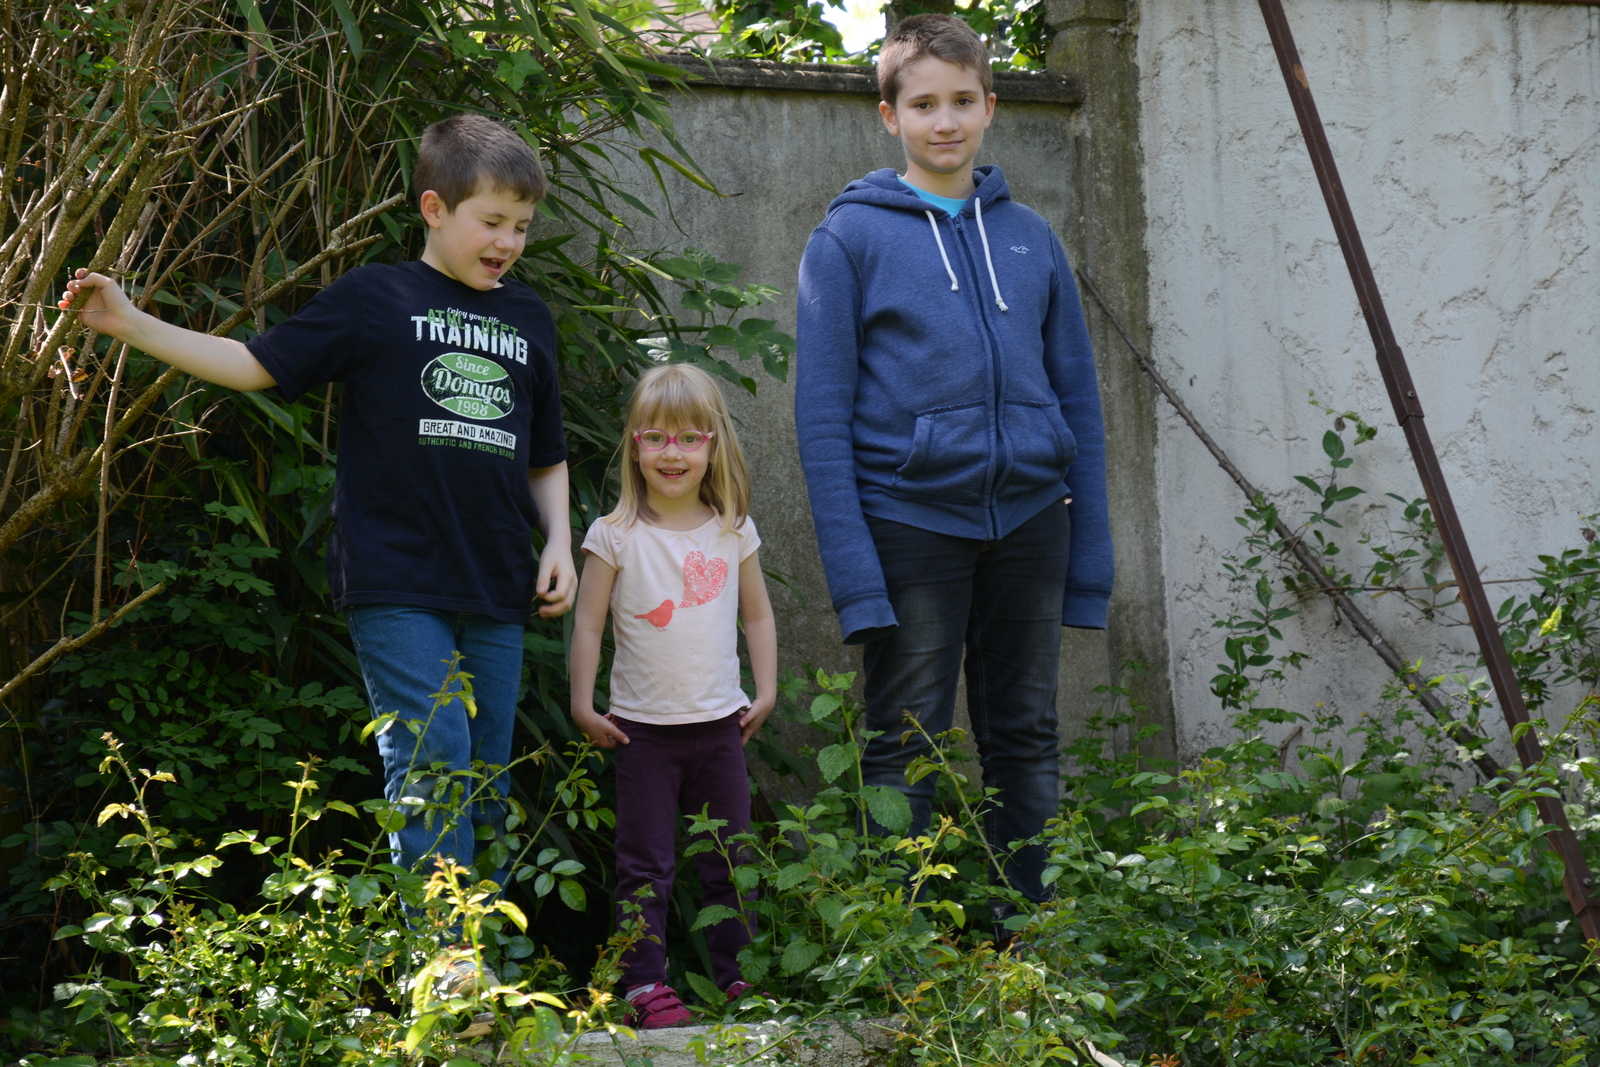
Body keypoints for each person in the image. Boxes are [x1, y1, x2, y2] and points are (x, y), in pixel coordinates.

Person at [59, 114, 576, 1001]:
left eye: (522, 226)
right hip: (396, 578)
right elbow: (254, 363)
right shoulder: (376, 297)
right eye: (491, 221)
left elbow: (547, 452)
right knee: (432, 758)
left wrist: (559, 540)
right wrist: (130, 321)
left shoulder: (528, 316)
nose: (508, 242)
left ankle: (473, 965)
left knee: (483, 781)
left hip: (496, 582)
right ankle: (448, 976)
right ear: (434, 208)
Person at [793, 14, 1113, 937]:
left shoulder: (1031, 238)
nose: (945, 121)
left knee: (1027, 733)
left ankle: (1028, 934)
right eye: (924, 104)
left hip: (1031, 519)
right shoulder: (847, 241)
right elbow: (821, 421)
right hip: (911, 522)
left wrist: (1088, 557)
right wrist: (856, 579)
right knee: (907, 740)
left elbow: (1080, 402)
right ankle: (906, 948)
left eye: (962, 101)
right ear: (889, 116)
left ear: (990, 107)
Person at [568, 362, 777, 1030]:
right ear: (634, 445)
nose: (672, 453)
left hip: (720, 728)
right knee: (645, 864)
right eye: (655, 437)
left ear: (713, 444)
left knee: (730, 859)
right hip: (642, 733)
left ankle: (739, 976)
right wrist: (582, 704)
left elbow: (757, 615)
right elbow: (588, 624)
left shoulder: (733, 528)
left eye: (689, 438)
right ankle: (642, 985)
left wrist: (766, 689)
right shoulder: (614, 534)